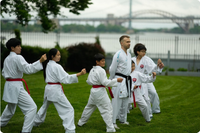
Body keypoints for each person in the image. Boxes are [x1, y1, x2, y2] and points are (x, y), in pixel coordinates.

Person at [34, 48, 86, 133]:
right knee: (69, 109)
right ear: (52, 56)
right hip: (55, 90)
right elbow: (66, 78)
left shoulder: (48, 64)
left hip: (48, 89)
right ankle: (70, 130)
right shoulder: (56, 66)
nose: (59, 56)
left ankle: (35, 122)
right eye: (58, 55)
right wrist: (80, 74)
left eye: (60, 55)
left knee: (44, 107)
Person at [0, 38, 47, 133]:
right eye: (18, 46)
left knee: (10, 108)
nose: (20, 48)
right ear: (12, 48)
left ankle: (1, 123)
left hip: (9, 85)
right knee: (31, 108)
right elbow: (28, 69)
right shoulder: (18, 57)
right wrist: (40, 61)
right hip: (16, 86)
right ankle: (26, 131)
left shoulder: (7, 59)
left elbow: (3, 73)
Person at [78, 53, 123, 132]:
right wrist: (117, 80)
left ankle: (80, 122)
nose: (104, 62)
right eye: (102, 61)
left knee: (89, 107)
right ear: (97, 62)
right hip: (100, 92)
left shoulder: (92, 70)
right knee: (107, 109)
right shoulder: (101, 70)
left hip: (93, 91)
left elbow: (88, 81)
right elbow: (105, 82)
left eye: (104, 60)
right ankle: (110, 128)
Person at [132, 43, 164, 118]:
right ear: (137, 52)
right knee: (130, 94)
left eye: (145, 51)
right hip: (135, 80)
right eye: (142, 51)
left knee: (153, 93)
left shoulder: (146, 59)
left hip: (146, 79)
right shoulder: (132, 60)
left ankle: (155, 109)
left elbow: (152, 68)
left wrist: (158, 66)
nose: (144, 53)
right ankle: (125, 110)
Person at [109, 35, 132, 129]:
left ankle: (123, 120)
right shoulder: (118, 54)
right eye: (127, 41)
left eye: (130, 41)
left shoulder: (129, 54)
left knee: (125, 101)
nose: (129, 43)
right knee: (116, 102)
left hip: (127, 80)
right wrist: (111, 80)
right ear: (122, 43)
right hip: (118, 79)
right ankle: (113, 122)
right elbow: (112, 68)